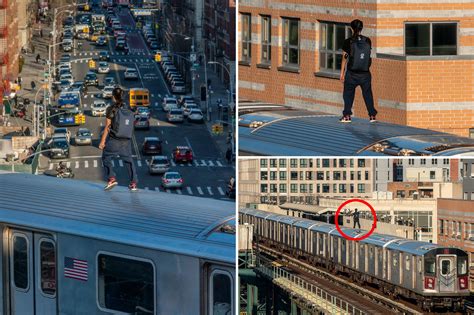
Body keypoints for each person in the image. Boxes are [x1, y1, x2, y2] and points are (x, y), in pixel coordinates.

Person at [99, 87, 138, 191]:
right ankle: (133, 184)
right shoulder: (130, 108)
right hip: (126, 140)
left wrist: (102, 142)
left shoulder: (111, 109)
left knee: (106, 156)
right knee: (129, 161)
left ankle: (111, 178)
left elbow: (107, 127)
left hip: (114, 139)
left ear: (113, 97)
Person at [339, 19, 377, 123]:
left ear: (352, 28)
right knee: (367, 94)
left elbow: (344, 58)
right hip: (365, 73)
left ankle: (347, 116)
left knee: (348, 94)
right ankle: (372, 116)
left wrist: (342, 73)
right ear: (361, 28)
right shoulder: (367, 40)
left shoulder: (348, 41)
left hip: (352, 73)